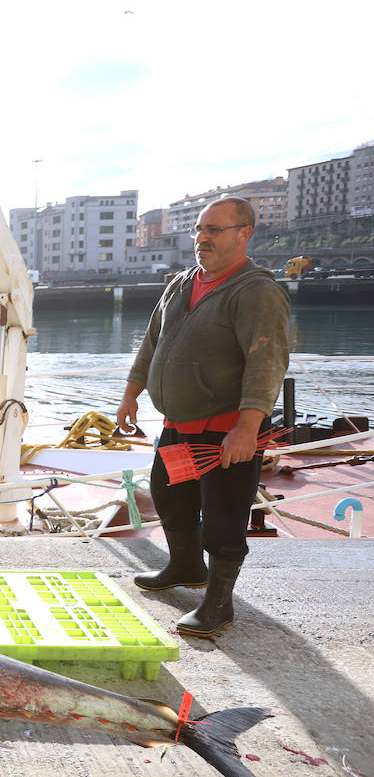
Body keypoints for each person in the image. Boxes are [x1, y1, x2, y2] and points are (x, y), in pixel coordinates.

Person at [116, 197, 290, 637]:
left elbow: (265, 364)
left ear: (243, 233)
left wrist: (247, 429)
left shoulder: (257, 291)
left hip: (227, 430)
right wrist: (130, 394)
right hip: (178, 426)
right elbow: (151, 343)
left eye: (214, 229)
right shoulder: (180, 283)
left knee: (223, 518)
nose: (202, 238)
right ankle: (185, 566)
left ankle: (218, 604)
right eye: (199, 229)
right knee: (169, 499)